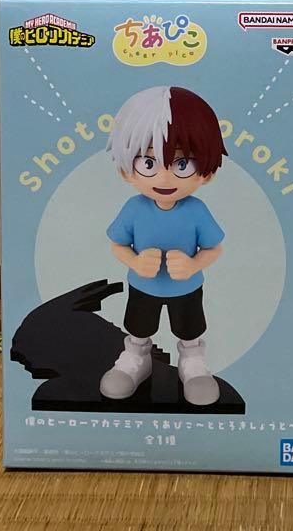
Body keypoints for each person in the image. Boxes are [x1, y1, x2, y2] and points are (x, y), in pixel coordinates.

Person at [100, 85, 226, 405]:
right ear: (126, 170)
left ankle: (193, 362)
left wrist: (194, 265)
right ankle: (136, 357)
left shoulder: (197, 211)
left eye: (183, 164)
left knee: (190, 327)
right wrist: (135, 262)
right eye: (148, 163)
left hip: (187, 288)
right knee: (138, 325)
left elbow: (214, 248)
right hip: (143, 286)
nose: (165, 178)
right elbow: (117, 244)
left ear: (206, 172)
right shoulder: (134, 209)